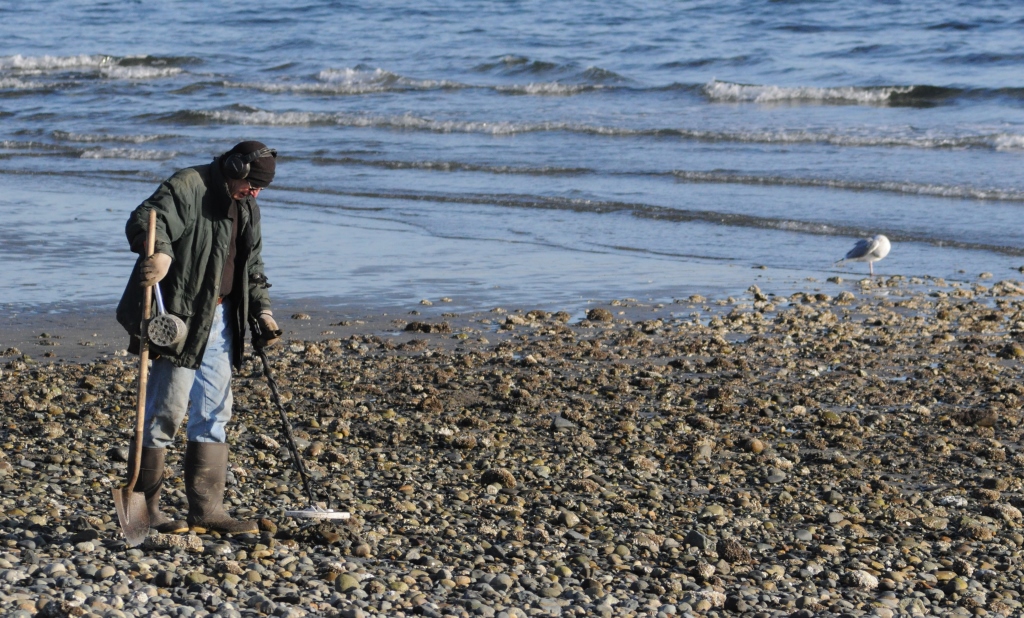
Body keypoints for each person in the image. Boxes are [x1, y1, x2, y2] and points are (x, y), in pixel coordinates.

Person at [116, 141, 282, 535]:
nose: (255, 193)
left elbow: (252, 265)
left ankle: (207, 510)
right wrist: (160, 254)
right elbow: (145, 217)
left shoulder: (247, 207)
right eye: (252, 185)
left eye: (260, 189)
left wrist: (263, 310)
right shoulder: (188, 185)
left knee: (214, 412)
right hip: (180, 317)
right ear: (235, 167)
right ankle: (142, 514)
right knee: (165, 412)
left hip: (224, 318)